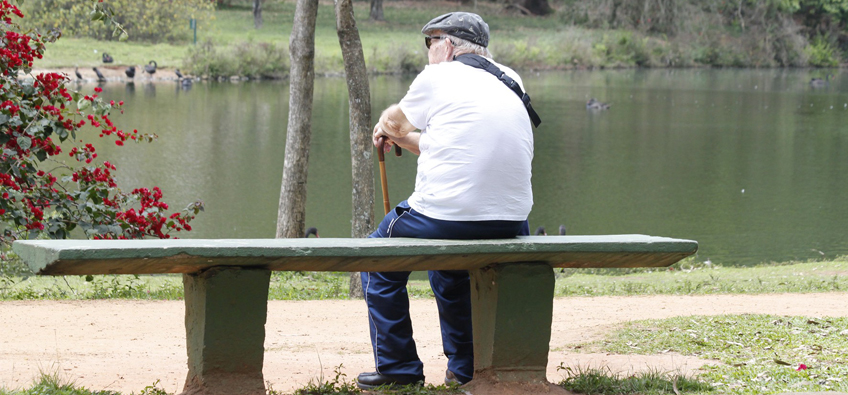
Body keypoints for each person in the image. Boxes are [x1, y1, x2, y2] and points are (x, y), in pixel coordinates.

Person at [358, 11, 536, 390]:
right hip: (511, 220)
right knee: (450, 267)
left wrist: (387, 129)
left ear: (449, 46)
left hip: (449, 214)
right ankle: (464, 368)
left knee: (376, 259)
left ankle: (398, 369)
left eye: (430, 43)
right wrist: (406, 139)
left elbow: (393, 122)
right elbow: (451, 146)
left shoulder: (438, 76)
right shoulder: (509, 79)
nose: (427, 52)